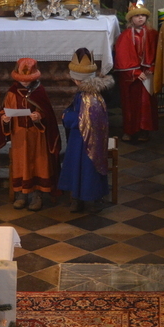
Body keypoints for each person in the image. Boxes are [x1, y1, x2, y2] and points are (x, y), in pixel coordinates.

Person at [0, 58, 60, 211]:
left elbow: (47, 114)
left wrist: (39, 116)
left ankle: (37, 195)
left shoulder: (39, 91)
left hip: (37, 136)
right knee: (21, 163)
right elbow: (4, 110)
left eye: (27, 79)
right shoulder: (12, 92)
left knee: (38, 162)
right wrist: (5, 118)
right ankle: (21, 194)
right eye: (21, 79)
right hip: (19, 135)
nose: (24, 82)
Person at [57, 49, 114, 213]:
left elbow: (84, 119)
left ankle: (87, 198)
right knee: (81, 168)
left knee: (85, 168)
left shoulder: (90, 96)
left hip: (84, 141)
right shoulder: (87, 92)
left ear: (77, 80)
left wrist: (67, 117)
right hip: (83, 138)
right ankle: (80, 197)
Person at [113, 0, 158, 142]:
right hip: (131, 76)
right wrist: (135, 72)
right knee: (130, 104)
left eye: (143, 15)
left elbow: (157, 52)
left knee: (146, 104)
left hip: (147, 74)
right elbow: (122, 55)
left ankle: (144, 130)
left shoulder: (152, 34)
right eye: (137, 15)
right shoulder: (125, 35)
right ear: (131, 18)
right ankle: (130, 130)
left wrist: (152, 67)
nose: (140, 18)